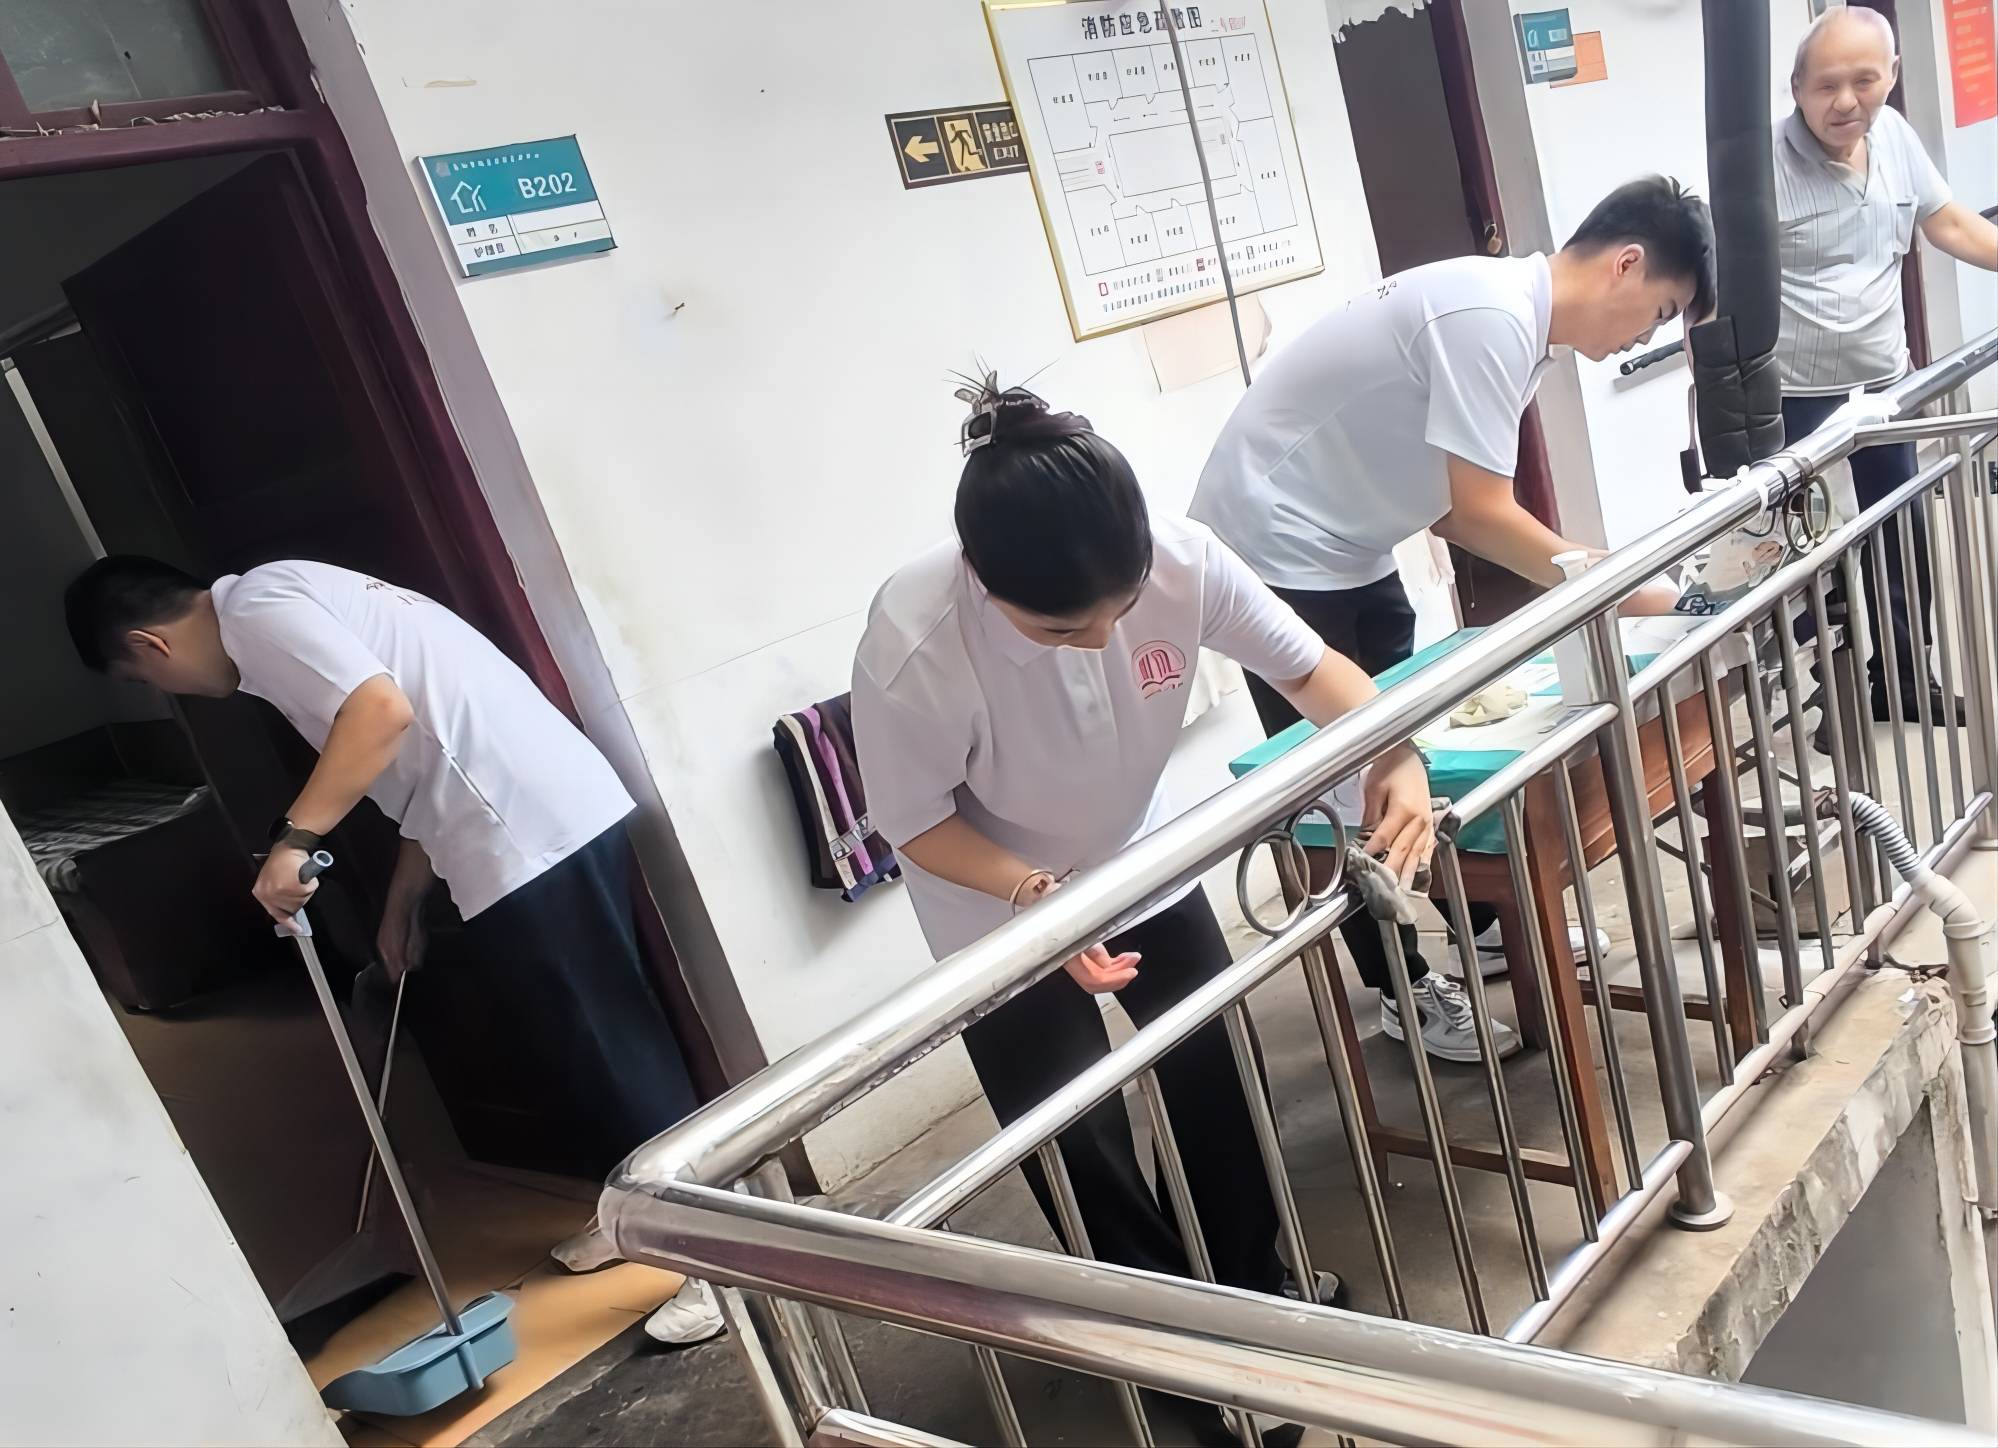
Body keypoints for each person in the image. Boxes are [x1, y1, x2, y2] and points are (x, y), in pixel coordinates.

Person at [852, 382, 1436, 1443]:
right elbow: (915, 823)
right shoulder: (915, 641)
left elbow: (1316, 672)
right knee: (1075, 1129)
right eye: (1061, 626)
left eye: (1119, 611)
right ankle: (1162, 1349)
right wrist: (1038, 901)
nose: (1099, 641)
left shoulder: (1183, 559)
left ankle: (1253, 1298)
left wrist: (1396, 754)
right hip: (997, 905)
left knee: (1216, 1076)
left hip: (1141, 860)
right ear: (981, 576)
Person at [63, 555, 722, 1345]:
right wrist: (402, 903)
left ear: (151, 646)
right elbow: (414, 759)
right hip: (517, 823)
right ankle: (635, 1215)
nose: (168, 692)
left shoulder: (260, 611)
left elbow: (381, 713)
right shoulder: (284, 603)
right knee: (579, 1050)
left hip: (525, 831)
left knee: (611, 1049)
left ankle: (722, 1262)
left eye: (145, 679)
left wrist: (294, 839)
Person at [1190, 176, 1705, 1056]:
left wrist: (1620, 586)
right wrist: (1635, 591)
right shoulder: (1489, 318)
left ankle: (1485, 920)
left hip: (1350, 542)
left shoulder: (1515, 325)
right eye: (1658, 312)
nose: (1643, 337)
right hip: (1271, 548)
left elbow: (1455, 503)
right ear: (1626, 264)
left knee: (1410, 738)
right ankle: (1402, 985)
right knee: (1339, 781)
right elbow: (1477, 515)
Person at [1776, 6, 1997, 728]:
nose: (1846, 102)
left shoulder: (1894, 135)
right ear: (1796, 86)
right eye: (1826, 85)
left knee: (1901, 530)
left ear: (1892, 76)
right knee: (1800, 549)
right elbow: (1714, 290)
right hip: (1795, 397)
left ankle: (1902, 679)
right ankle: (1814, 690)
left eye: (1865, 81)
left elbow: (1950, 222)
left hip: (1882, 382)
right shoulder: (1758, 165)